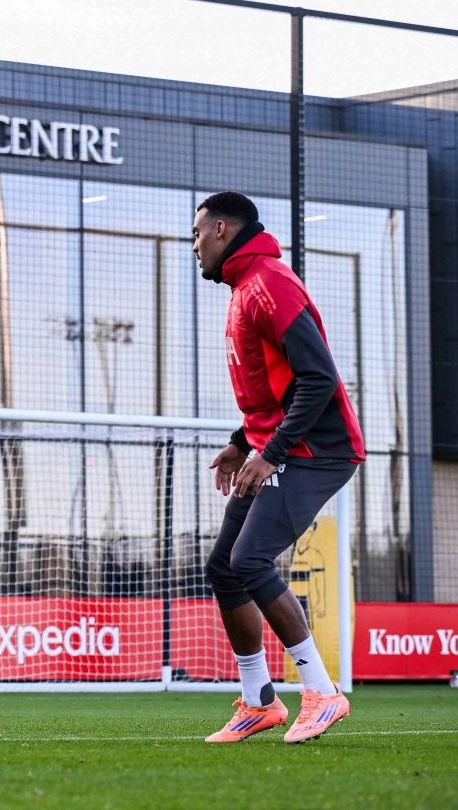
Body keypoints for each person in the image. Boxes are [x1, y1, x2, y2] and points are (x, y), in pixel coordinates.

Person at [193, 192, 365, 744]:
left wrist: (271, 453)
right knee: (225, 566)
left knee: (250, 560)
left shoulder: (269, 283)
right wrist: (243, 442)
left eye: (197, 235)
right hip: (281, 446)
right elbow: (275, 391)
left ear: (221, 229)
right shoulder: (246, 288)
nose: (194, 247)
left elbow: (317, 379)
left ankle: (322, 692)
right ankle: (259, 702)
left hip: (319, 449)